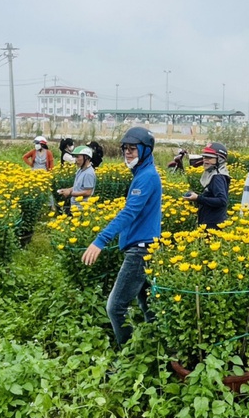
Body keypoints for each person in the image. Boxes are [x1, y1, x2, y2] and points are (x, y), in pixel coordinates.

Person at [81, 127, 161, 346]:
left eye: (133, 149)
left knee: (115, 307)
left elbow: (129, 212)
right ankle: (158, 348)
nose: (128, 153)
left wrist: (101, 240)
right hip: (145, 246)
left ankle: (127, 353)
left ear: (146, 150)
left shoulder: (146, 177)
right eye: (125, 148)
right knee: (149, 305)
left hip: (140, 250)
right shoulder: (143, 173)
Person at [183, 142, 230, 230]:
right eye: (204, 157)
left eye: (209, 158)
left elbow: (222, 200)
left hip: (213, 224)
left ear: (219, 159)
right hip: (209, 221)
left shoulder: (217, 177)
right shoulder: (213, 174)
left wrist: (198, 198)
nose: (205, 160)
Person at [57, 145, 97, 211]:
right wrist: (67, 190)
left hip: (82, 207)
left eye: (78, 157)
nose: (76, 160)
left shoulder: (89, 173)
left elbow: (88, 192)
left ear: (86, 157)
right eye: (75, 157)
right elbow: (77, 187)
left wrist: (70, 193)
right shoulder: (80, 170)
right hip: (75, 205)